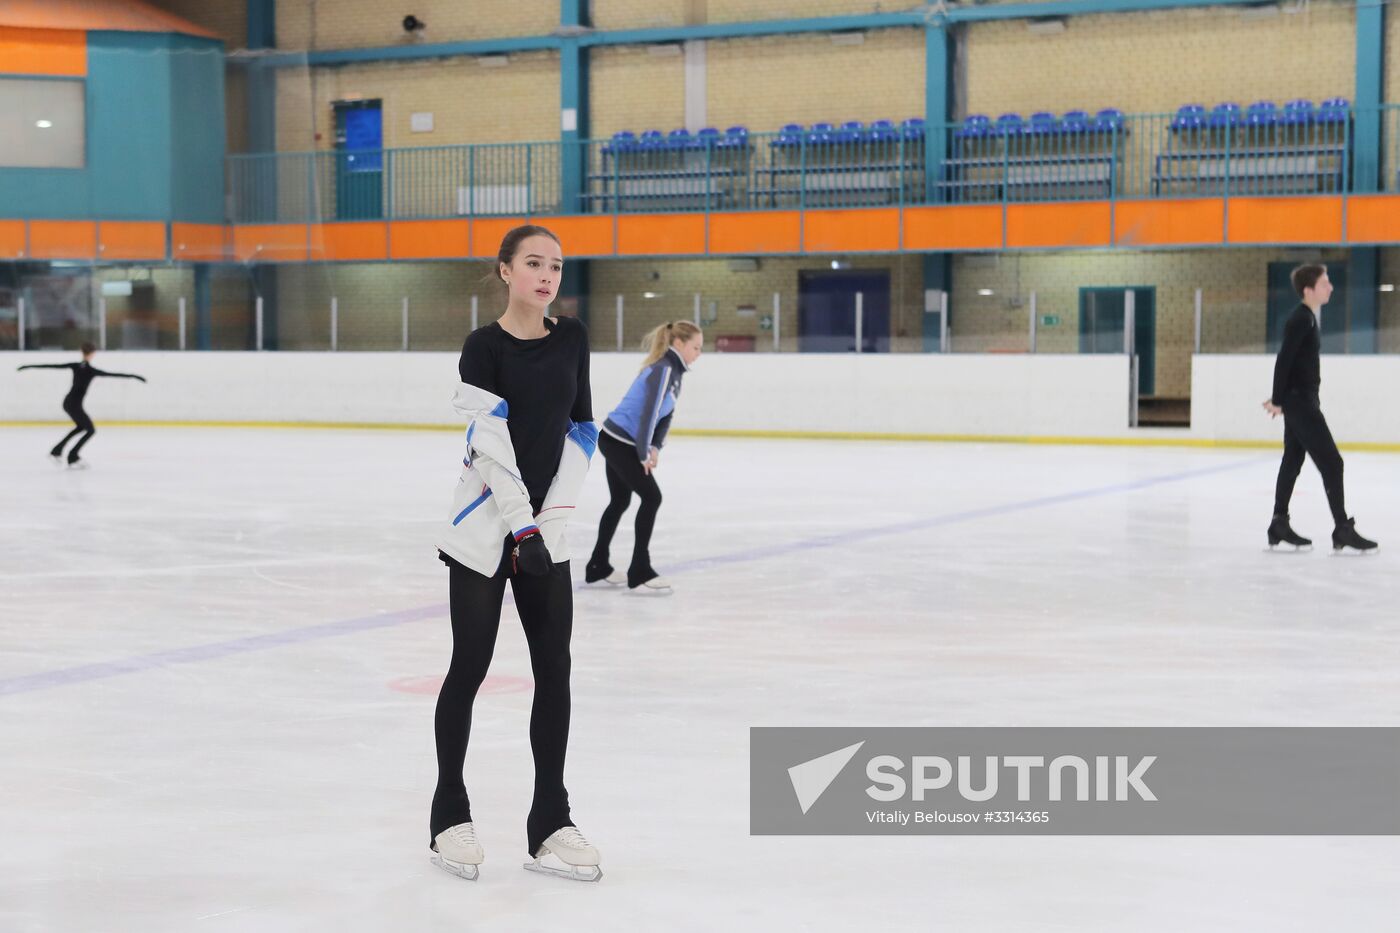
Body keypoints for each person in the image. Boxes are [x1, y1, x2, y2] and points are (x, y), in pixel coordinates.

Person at [431, 225, 604, 883]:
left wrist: (547, 523)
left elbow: (582, 429)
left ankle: (551, 820)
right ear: (504, 270)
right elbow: (488, 443)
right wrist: (519, 528)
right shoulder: (483, 347)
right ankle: (449, 811)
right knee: (469, 666)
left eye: (556, 265)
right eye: (533, 262)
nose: (547, 274)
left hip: (546, 533)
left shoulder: (574, 339)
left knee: (553, 671)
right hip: (482, 531)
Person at [1262, 263, 1376, 553]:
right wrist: (1278, 399)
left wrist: (1281, 399)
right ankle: (1342, 528)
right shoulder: (1301, 319)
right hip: (1299, 402)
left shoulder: (1308, 318)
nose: (1331, 287)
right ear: (1308, 290)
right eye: (1325, 283)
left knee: (1293, 460)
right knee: (1332, 462)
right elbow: (1283, 359)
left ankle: (1279, 522)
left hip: (1301, 400)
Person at [586, 320, 703, 593]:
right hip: (619, 442)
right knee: (651, 497)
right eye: (696, 347)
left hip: (619, 440)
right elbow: (648, 414)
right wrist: (642, 453)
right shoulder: (663, 370)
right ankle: (639, 569)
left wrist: (655, 447)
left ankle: (597, 565)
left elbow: (665, 416)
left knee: (620, 500)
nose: (699, 352)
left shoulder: (675, 372)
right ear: (679, 344)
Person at [16, 342, 146, 469]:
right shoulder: (91, 370)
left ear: (82, 352)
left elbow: (52, 366)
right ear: (92, 354)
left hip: (69, 403)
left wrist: (28, 366)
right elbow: (113, 374)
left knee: (80, 428)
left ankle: (57, 451)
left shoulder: (76, 366)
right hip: (74, 405)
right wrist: (134, 376)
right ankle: (72, 456)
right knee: (90, 430)